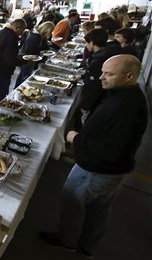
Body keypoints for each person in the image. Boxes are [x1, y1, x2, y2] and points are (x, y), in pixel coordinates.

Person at [39, 55, 148, 259]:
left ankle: (67, 241)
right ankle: (88, 246)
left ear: (129, 76)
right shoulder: (124, 95)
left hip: (97, 170)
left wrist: (76, 138)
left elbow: (111, 150)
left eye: (108, 74)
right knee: (99, 210)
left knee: (72, 202)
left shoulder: (128, 108)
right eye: (102, 72)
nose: (101, 77)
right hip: (112, 172)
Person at [78, 29, 122, 120]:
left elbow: (94, 86)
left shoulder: (98, 60)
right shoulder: (105, 52)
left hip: (95, 102)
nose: (86, 45)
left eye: (87, 43)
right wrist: (82, 76)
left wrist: (85, 105)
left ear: (92, 42)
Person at [14, 21, 55, 87]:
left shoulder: (35, 33)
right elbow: (30, 51)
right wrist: (40, 53)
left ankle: (17, 88)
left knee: (22, 75)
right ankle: (20, 90)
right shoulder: (36, 37)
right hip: (29, 60)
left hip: (27, 59)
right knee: (25, 77)